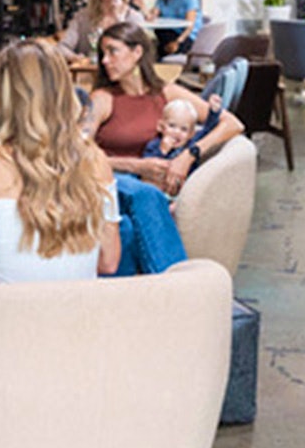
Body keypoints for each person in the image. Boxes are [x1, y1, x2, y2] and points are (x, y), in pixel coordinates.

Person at [0, 40, 121, 283]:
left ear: (6, 95)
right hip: (81, 307)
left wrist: (1, 261)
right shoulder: (96, 161)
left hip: (12, 306)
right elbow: (109, 261)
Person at [91, 21, 245, 275]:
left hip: (145, 189)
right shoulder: (102, 99)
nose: (105, 60)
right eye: (103, 54)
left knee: (126, 229)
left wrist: (189, 155)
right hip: (109, 181)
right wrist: (136, 165)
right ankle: (181, 289)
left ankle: (135, 295)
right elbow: (75, 154)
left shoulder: (166, 93)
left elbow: (232, 124)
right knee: (145, 195)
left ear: (137, 52)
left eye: (112, 51)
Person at [57, 0, 146, 61]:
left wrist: (119, 18)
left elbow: (139, 51)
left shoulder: (133, 17)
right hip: (89, 69)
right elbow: (62, 47)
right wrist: (75, 58)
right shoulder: (82, 17)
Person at [143, 95, 223, 169]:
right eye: (172, 125)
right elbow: (148, 168)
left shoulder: (191, 143)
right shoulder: (154, 146)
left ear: (191, 134)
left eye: (184, 129)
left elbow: (208, 130)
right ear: (161, 127)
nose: (177, 132)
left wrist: (214, 112)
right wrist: (162, 151)